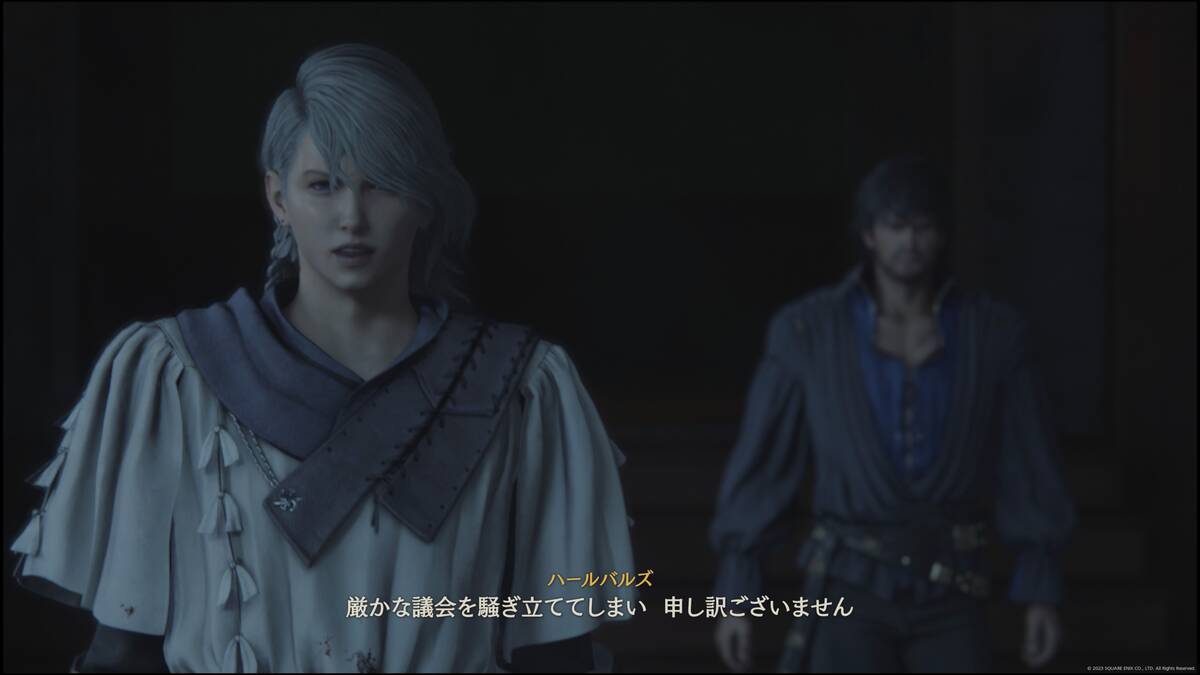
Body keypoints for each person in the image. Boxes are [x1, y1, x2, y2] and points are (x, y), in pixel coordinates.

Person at [10, 43, 636, 673]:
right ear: (278, 197)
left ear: (425, 199)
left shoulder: (524, 389)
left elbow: (557, 654)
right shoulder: (174, 376)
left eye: (381, 184)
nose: (352, 217)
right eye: (323, 185)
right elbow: (124, 654)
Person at [708, 156, 1078, 672]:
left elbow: (1029, 465)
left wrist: (1041, 591)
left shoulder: (993, 334)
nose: (910, 241)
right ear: (869, 234)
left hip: (953, 584)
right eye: (896, 226)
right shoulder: (808, 331)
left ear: (942, 234)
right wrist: (735, 596)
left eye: (923, 226)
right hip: (848, 583)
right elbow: (763, 468)